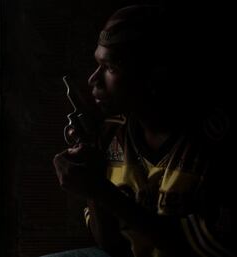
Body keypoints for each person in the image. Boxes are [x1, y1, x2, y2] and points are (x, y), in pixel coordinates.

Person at [48, 5, 235, 257]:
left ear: (155, 75)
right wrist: (94, 186)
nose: (93, 79)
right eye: (98, 64)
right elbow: (110, 246)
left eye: (110, 67)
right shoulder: (112, 132)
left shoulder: (213, 145)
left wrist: (102, 191)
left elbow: (201, 251)